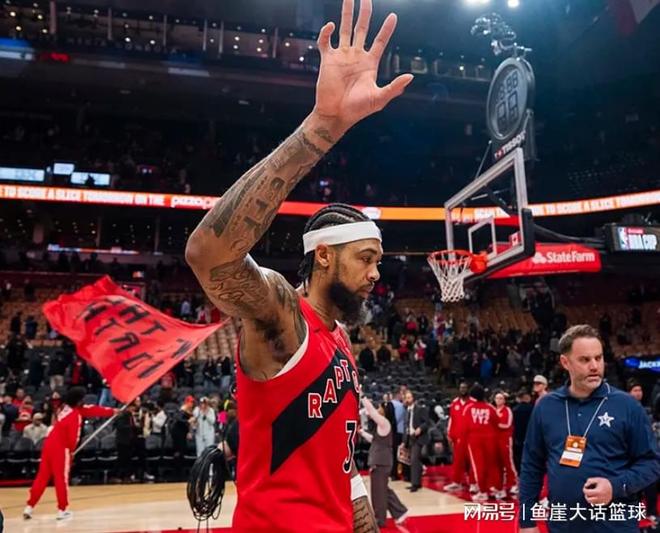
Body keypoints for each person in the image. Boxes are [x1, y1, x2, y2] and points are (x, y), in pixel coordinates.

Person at [184, 0, 412, 529]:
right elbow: (208, 253)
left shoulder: (340, 340)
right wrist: (322, 127)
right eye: (366, 259)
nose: (377, 274)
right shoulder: (282, 316)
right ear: (324, 255)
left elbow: (343, 469)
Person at [520, 325, 660, 533]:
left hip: (615, 526)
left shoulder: (627, 406)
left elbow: (651, 463)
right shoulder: (546, 407)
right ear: (565, 362)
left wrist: (615, 486)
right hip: (563, 526)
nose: (594, 366)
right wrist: (526, 521)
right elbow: (531, 466)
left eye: (598, 358)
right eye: (585, 360)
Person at [24, 386, 117, 520]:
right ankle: (62, 510)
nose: (84, 401)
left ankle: (29, 507)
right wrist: (71, 452)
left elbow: (91, 409)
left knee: (42, 477)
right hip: (61, 448)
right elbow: (73, 438)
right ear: (78, 400)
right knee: (61, 479)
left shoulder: (65, 408)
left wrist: (112, 411)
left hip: (48, 444)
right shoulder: (75, 416)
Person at [359, 397, 408, 527]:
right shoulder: (382, 426)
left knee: (378, 492)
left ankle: (380, 519)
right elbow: (374, 440)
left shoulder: (385, 423)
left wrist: (362, 397)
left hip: (381, 462)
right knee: (383, 490)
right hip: (381, 461)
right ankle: (400, 512)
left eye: (380, 407)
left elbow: (371, 412)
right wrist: (362, 432)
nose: (378, 409)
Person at [459, 383, 501, 502]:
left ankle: (483, 491)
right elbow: (497, 423)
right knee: (493, 464)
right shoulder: (490, 408)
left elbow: (464, 428)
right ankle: (497, 489)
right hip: (490, 438)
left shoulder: (468, 408)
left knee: (478, 466)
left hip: (475, 439)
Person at [627, 379, 658, 528]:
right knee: (635, 487)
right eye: (635, 390)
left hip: (646, 452)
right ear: (629, 392)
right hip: (629, 454)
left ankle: (651, 512)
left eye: (639, 390)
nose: (638, 393)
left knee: (651, 482)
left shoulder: (648, 411)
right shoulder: (625, 410)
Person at [445, 381, 476, 492]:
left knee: (472, 461)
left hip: (471, 437)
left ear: (468, 389)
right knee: (457, 461)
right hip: (458, 438)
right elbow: (451, 419)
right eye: (461, 388)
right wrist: (449, 433)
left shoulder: (473, 402)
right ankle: (456, 482)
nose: (463, 390)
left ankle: (473, 483)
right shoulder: (454, 403)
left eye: (465, 387)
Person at [493, 390, 518, 497]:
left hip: (505, 439)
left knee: (508, 461)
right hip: (495, 440)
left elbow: (507, 424)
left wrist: (495, 425)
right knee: (497, 463)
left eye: (501, 398)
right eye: (497, 398)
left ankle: (514, 483)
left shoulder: (507, 410)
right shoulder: (493, 410)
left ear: (504, 400)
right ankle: (499, 484)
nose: (498, 400)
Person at [404, 390, 430, 492]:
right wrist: (404, 440)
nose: (407, 399)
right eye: (406, 398)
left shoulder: (420, 409)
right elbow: (406, 425)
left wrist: (420, 428)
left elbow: (426, 422)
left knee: (414, 460)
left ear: (413, 398)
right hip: (410, 437)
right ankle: (417, 482)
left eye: (409, 397)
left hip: (419, 437)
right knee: (415, 461)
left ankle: (414, 484)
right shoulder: (407, 410)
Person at [512, 388, 534, 474]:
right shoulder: (532, 409)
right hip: (530, 436)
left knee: (519, 457)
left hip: (518, 437)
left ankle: (520, 473)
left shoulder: (514, 410)